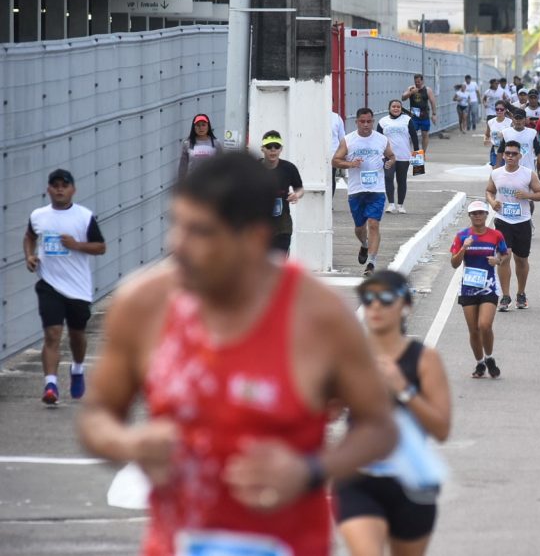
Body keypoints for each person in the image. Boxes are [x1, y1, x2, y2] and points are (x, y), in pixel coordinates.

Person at [77, 152, 397, 556]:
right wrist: (130, 444)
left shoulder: (319, 318)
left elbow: (379, 427)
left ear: (254, 238)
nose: (177, 244)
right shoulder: (144, 304)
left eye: (201, 232)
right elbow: (96, 416)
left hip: (290, 543)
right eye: (177, 224)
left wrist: (309, 471)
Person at [335, 270, 452, 556]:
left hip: (411, 482)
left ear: (405, 306)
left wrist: (404, 390)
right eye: (368, 298)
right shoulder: (351, 356)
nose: (375, 305)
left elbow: (441, 429)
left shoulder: (424, 359)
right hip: (358, 478)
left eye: (386, 298)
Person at [24, 169, 107, 404]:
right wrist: (29, 256)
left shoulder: (84, 216)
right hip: (49, 283)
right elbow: (29, 236)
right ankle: (50, 385)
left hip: (78, 287)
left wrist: (76, 245)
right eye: (55, 185)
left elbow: (101, 247)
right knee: (52, 333)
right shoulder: (38, 215)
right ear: (48, 189)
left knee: (77, 336)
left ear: (73, 189)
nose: (60, 189)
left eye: (65, 185)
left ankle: (78, 369)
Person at [332, 108, 397, 277]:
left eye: (369, 121)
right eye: (362, 121)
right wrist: (351, 164)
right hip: (356, 190)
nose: (366, 125)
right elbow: (335, 160)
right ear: (357, 122)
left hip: (376, 189)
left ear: (373, 122)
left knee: (374, 224)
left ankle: (371, 263)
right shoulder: (348, 140)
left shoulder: (381, 140)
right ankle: (364, 244)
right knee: (359, 227)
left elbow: (391, 156)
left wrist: (390, 162)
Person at [485, 140, 540, 311]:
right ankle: (505, 296)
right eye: (507, 153)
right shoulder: (496, 173)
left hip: (522, 221)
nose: (510, 156)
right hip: (503, 221)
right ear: (503, 155)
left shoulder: (528, 174)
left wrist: (527, 195)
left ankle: (521, 293)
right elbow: (489, 190)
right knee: (505, 256)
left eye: (514, 154)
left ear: (520, 156)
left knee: (521, 259)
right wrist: (492, 202)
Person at [450, 201, 509, 378]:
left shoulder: (496, 235)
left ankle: (489, 357)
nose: (477, 216)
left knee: (484, 325)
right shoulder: (462, 236)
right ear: (469, 216)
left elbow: (505, 254)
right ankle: (479, 363)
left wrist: (498, 260)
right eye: (474, 213)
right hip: (468, 288)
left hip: (489, 287)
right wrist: (464, 248)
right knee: (473, 330)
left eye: (481, 213)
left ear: (486, 215)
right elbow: (454, 263)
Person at [260, 131, 305, 256]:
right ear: (262, 149)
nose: (273, 150)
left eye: (276, 147)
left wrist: (296, 195)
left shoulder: (288, 168)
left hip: (282, 223)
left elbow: (300, 189)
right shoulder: (255, 168)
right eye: (269, 147)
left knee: (279, 262)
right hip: (259, 223)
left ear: (281, 149)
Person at [377, 99, 420, 214]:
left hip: (404, 156)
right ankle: (391, 204)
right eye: (393, 106)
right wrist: (378, 155)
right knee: (388, 177)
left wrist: (417, 154)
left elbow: (414, 137)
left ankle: (401, 205)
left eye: (398, 107)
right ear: (389, 108)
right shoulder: (382, 121)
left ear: (401, 109)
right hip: (388, 157)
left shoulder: (407, 120)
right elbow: (378, 140)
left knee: (402, 180)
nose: (396, 108)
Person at [177, 113, 223, 179]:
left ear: (208, 126)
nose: (201, 128)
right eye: (198, 125)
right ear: (194, 127)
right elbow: (183, 166)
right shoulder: (187, 143)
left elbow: (221, 165)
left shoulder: (216, 143)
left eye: (203, 125)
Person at [499, 108, 540, 175]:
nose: (518, 121)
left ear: (525, 119)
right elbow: (500, 151)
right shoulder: (506, 133)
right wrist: (497, 168)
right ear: (513, 119)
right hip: (511, 171)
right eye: (516, 118)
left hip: (528, 170)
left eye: (520, 118)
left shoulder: (532, 133)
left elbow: (538, 151)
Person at [401, 74, 437, 155]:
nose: (417, 83)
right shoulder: (411, 88)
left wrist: (434, 114)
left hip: (424, 115)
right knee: (413, 134)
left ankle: (423, 153)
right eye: (415, 82)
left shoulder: (427, 90)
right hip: (414, 116)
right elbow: (403, 98)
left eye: (419, 82)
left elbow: (432, 102)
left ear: (422, 81)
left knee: (425, 134)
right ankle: (416, 151)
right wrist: (410, 92)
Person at [484, 102, 512, 167]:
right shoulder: (490, 122)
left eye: (501, 109)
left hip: (507, 150)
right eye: (497, 109)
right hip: (495, 149)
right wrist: (485, 140)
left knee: (506, 171)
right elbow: (487, 134)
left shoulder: (510, 122)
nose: (499, 111)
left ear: (505, 110)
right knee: (495, 170)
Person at [331, 110, 346, 197]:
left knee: (330, 177)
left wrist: (343, 153)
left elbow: (341, 136)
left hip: (333, 153)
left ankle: (329, 202)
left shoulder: (336, 118)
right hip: (317, 153)